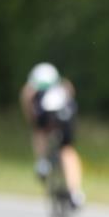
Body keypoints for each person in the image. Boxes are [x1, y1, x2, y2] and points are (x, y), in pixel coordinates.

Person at [19, 62, 84, 207]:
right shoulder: (64, 85)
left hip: (45, 116)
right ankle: (75, 192)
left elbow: (27, 101)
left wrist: (32, 119)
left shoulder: (31, 88)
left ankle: (42, 162)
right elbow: (72, 100)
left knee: (39, 131)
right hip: (66, 117)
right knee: (68, 150)